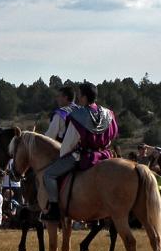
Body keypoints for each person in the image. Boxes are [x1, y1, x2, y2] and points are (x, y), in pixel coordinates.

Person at [42, 82, 118, 223]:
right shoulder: (108, 113)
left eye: (80, 95)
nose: (78, 98)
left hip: (84, 157)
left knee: (49, 174)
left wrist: (62, 156)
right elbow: (113, 135)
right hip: (104, 154)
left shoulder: (79, 115)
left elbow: (69, 144)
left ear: (84, 97)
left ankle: (54, 209)